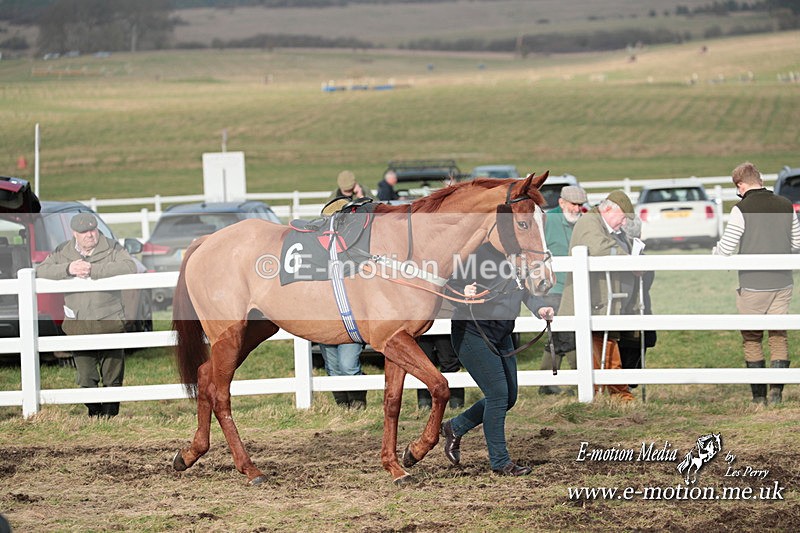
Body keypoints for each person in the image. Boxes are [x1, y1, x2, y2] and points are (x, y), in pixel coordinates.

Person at [440, 242, 555, 476]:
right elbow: (449, 285)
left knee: (509, 397)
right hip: (472, 333)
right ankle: (501, 462)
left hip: (501, 335)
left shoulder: (517, 257)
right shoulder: (476, 254)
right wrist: (464, 292)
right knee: (498, 395)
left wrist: (540, 307)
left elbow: (524, 291)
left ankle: (455, 426)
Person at [713, 162, 800, 405]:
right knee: (778, 335)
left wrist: (715, 252)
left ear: (741, 184)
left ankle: (758, 396)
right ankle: (776, 393)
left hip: (753, 283)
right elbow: (797, 243)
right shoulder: (785, 205)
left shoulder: (741, 209)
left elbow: (727, 247)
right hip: (783, 281)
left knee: (752, 337)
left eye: (737, 188)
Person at [36, 213, 137, 417]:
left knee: (113, 373)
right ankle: (94, 414)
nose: (90, 235)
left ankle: (110, 415)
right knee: (86, 375)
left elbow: (129, 266)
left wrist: (94, 270)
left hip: (110, 320)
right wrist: (68, 268)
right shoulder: (63, 252)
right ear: (75, 233)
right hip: (78, 323)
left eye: (93, 230)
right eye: (84, 232)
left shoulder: (113, 247)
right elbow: (41, 270)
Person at [558, 190, 638, 402]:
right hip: (591, 300)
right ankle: (619, 394)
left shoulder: (600, 224)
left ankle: (608, 393)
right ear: (609, 209)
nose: (622, 223)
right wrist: (631, 260)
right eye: (622, 218)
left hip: (600, 300)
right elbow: (600, 248)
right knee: (602, 345)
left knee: (604, 344)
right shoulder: (589, 223)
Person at [538, 184, 587, 395]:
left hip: (577, 286)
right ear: (561, 202)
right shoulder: (547, 221)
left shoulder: (583, 221)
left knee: (557, 336)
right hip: (554, 287)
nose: (577, 209)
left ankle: (546, 382)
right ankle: (581, 380)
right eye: (574, 205)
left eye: (580, 205)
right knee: (566, 334)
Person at [416, 335, 464, 409]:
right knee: (424, 365)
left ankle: (457, 406)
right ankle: (424, 406)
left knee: (449, 363)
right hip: (422, 330)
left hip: (443, 328)